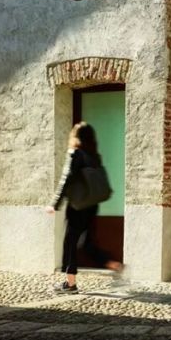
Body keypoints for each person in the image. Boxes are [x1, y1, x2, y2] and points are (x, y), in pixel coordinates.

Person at [47, 123, 123, 293]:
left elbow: (66, 179)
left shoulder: (75, 154)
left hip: (77, 206)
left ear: (76, 137)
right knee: (87, 243)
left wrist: (55, 203)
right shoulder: (95, 156)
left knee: (70, 243)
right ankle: (114, 264)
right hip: (92, 206)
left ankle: (70, 284)